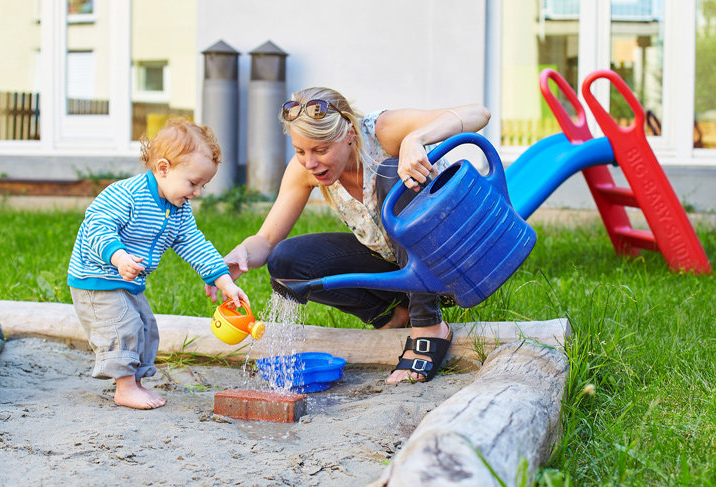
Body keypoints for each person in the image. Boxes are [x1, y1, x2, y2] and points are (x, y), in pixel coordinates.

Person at [207, 87, 490, 384]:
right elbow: (266, 240)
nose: (310, 163)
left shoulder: (383, 131)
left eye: (321, 150)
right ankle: (393, 316)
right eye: (300, 150)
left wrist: (414, 139)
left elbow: (479, 113)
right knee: (286, 262)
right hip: (404, 265)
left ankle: (429, 326)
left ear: (350, 134)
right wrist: (243, 254)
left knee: (391, 174)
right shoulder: (305, 169)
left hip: (458, 257)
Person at [68, 118, 249, 409]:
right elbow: (97, 227)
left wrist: (224, 280)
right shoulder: (126, 194)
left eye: (203, 185)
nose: (198, 193)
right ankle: (124, 388)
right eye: (193, 183)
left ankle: (135, 383)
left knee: (146, 327)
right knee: (122, 327)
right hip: (98, 278)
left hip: (129, 281)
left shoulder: (178, 209)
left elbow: (193, 242)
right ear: (163, 168)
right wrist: (118, 257)